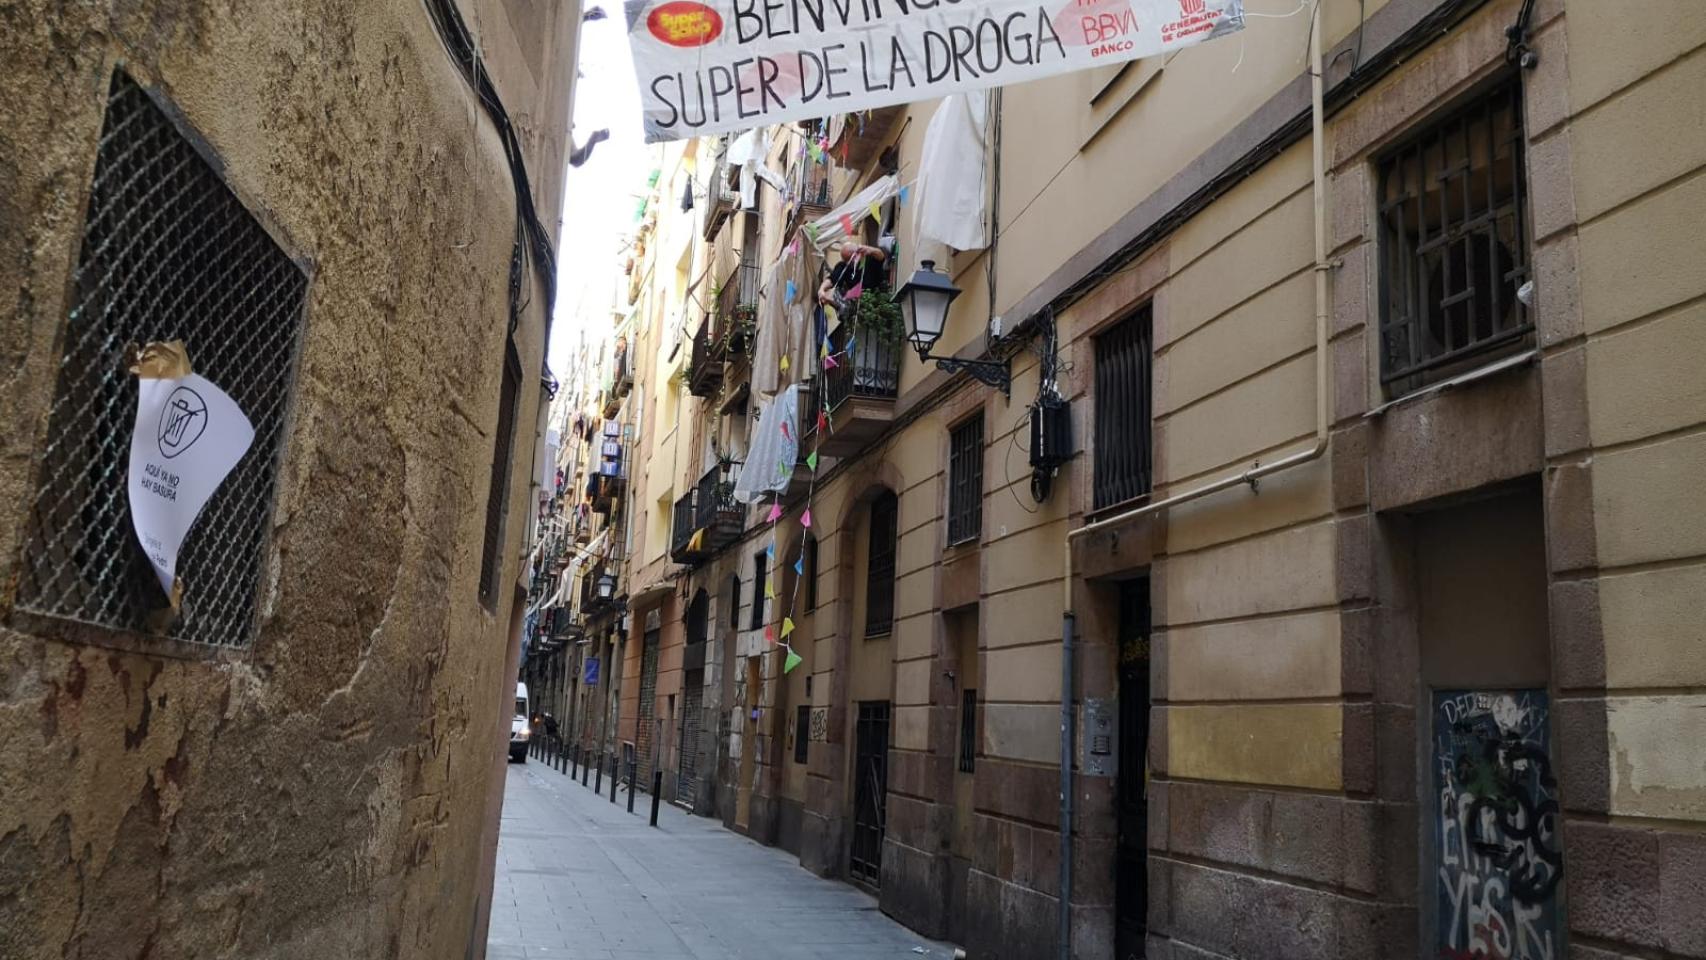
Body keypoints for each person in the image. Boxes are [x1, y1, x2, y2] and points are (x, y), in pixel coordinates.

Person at [817, 238, 887, 307]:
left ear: (857, 253)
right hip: (861, 304)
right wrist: (822, 289)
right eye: (846, 259)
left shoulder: (870, 258)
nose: (849, 262)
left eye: (851, 258)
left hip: (880, 298)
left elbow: (881, 256)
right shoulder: (844, 266)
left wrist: (871, 250)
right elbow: (832, 279)